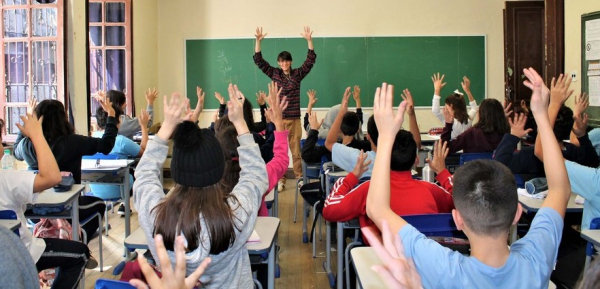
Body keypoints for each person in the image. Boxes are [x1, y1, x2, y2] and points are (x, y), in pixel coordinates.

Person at [365, 68, 570, 288]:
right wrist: (541, 115)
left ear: (457, 219)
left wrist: (385, 137)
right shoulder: (535, 259)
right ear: (517, 214)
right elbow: (560, 189)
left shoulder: (443, 268)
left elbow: (377, 209)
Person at [133, 85, 268, 288]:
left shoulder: (156, 217)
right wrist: (240, 123)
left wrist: (167, 128)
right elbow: (256, 175)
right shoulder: (235, 215)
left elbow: (143, 175)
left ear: (176, 171)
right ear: (220, 169)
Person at [1, 111, 96, 288]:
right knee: (80, 255)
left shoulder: (21, 152)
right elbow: (53, 177)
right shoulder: (6, 179)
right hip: (17, 254)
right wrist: (37, 135)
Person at [323, 136, 454, 245]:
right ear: (416, 160)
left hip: (382, 265)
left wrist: (351, 178)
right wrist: (443, 173)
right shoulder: (432, 190)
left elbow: (330, 211)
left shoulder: (371, 189)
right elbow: (464, 204)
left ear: (383, 158)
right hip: (424, 266)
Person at [14, 97, 111, 242]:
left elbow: (15, 150)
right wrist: (112, 117)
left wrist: (28, 123)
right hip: (68, 208)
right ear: (63, 118)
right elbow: (106, 145)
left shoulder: (27, 145)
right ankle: (78, 241)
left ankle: (62, 238)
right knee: (99, 205)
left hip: (36, 212)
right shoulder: (73, 141)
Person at [253, 26, 317, 184]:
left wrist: (309, 40)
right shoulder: (274, 73)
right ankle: (279, 179)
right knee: (278, 151)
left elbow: (310, 61)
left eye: (286, 61)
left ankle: (299, 177)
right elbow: (259, 61)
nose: (284, 63)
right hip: (278, 119)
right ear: (278, 63)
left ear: (291, 62)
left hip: (294, 118)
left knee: (296, 152)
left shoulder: (297, 74)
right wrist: (258, 41)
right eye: (281, 61)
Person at [325, 88, 421, 178]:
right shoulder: (401, 157)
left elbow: (329, 143)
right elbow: (416, 144)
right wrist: (411, 114)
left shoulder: (360, 160)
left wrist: (341, 112)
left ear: (368, 136)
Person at [88, 106, 150, 208]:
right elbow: (144, 152)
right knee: (136, 173)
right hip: (120, 190)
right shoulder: (120, 141)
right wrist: (143, 126)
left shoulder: (90, 139)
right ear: (117, 121)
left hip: (96, 191)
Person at [440, 98, 509, 154]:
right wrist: (503, 120)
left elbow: (444, 150)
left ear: (481, 115)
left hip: (473, 170)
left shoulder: (471, 133)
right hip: (498, 171)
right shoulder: (506, 135)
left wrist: (448, 125)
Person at [431, 73, 478, 139]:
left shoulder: (451, 122)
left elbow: (435, 110)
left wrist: (437, 90)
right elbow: (474, 108)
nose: (445, 108)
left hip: (453, 149)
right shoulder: (468, 119)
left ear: (451, 106)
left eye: (446, 106)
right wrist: (467, 91)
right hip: (466, 149)